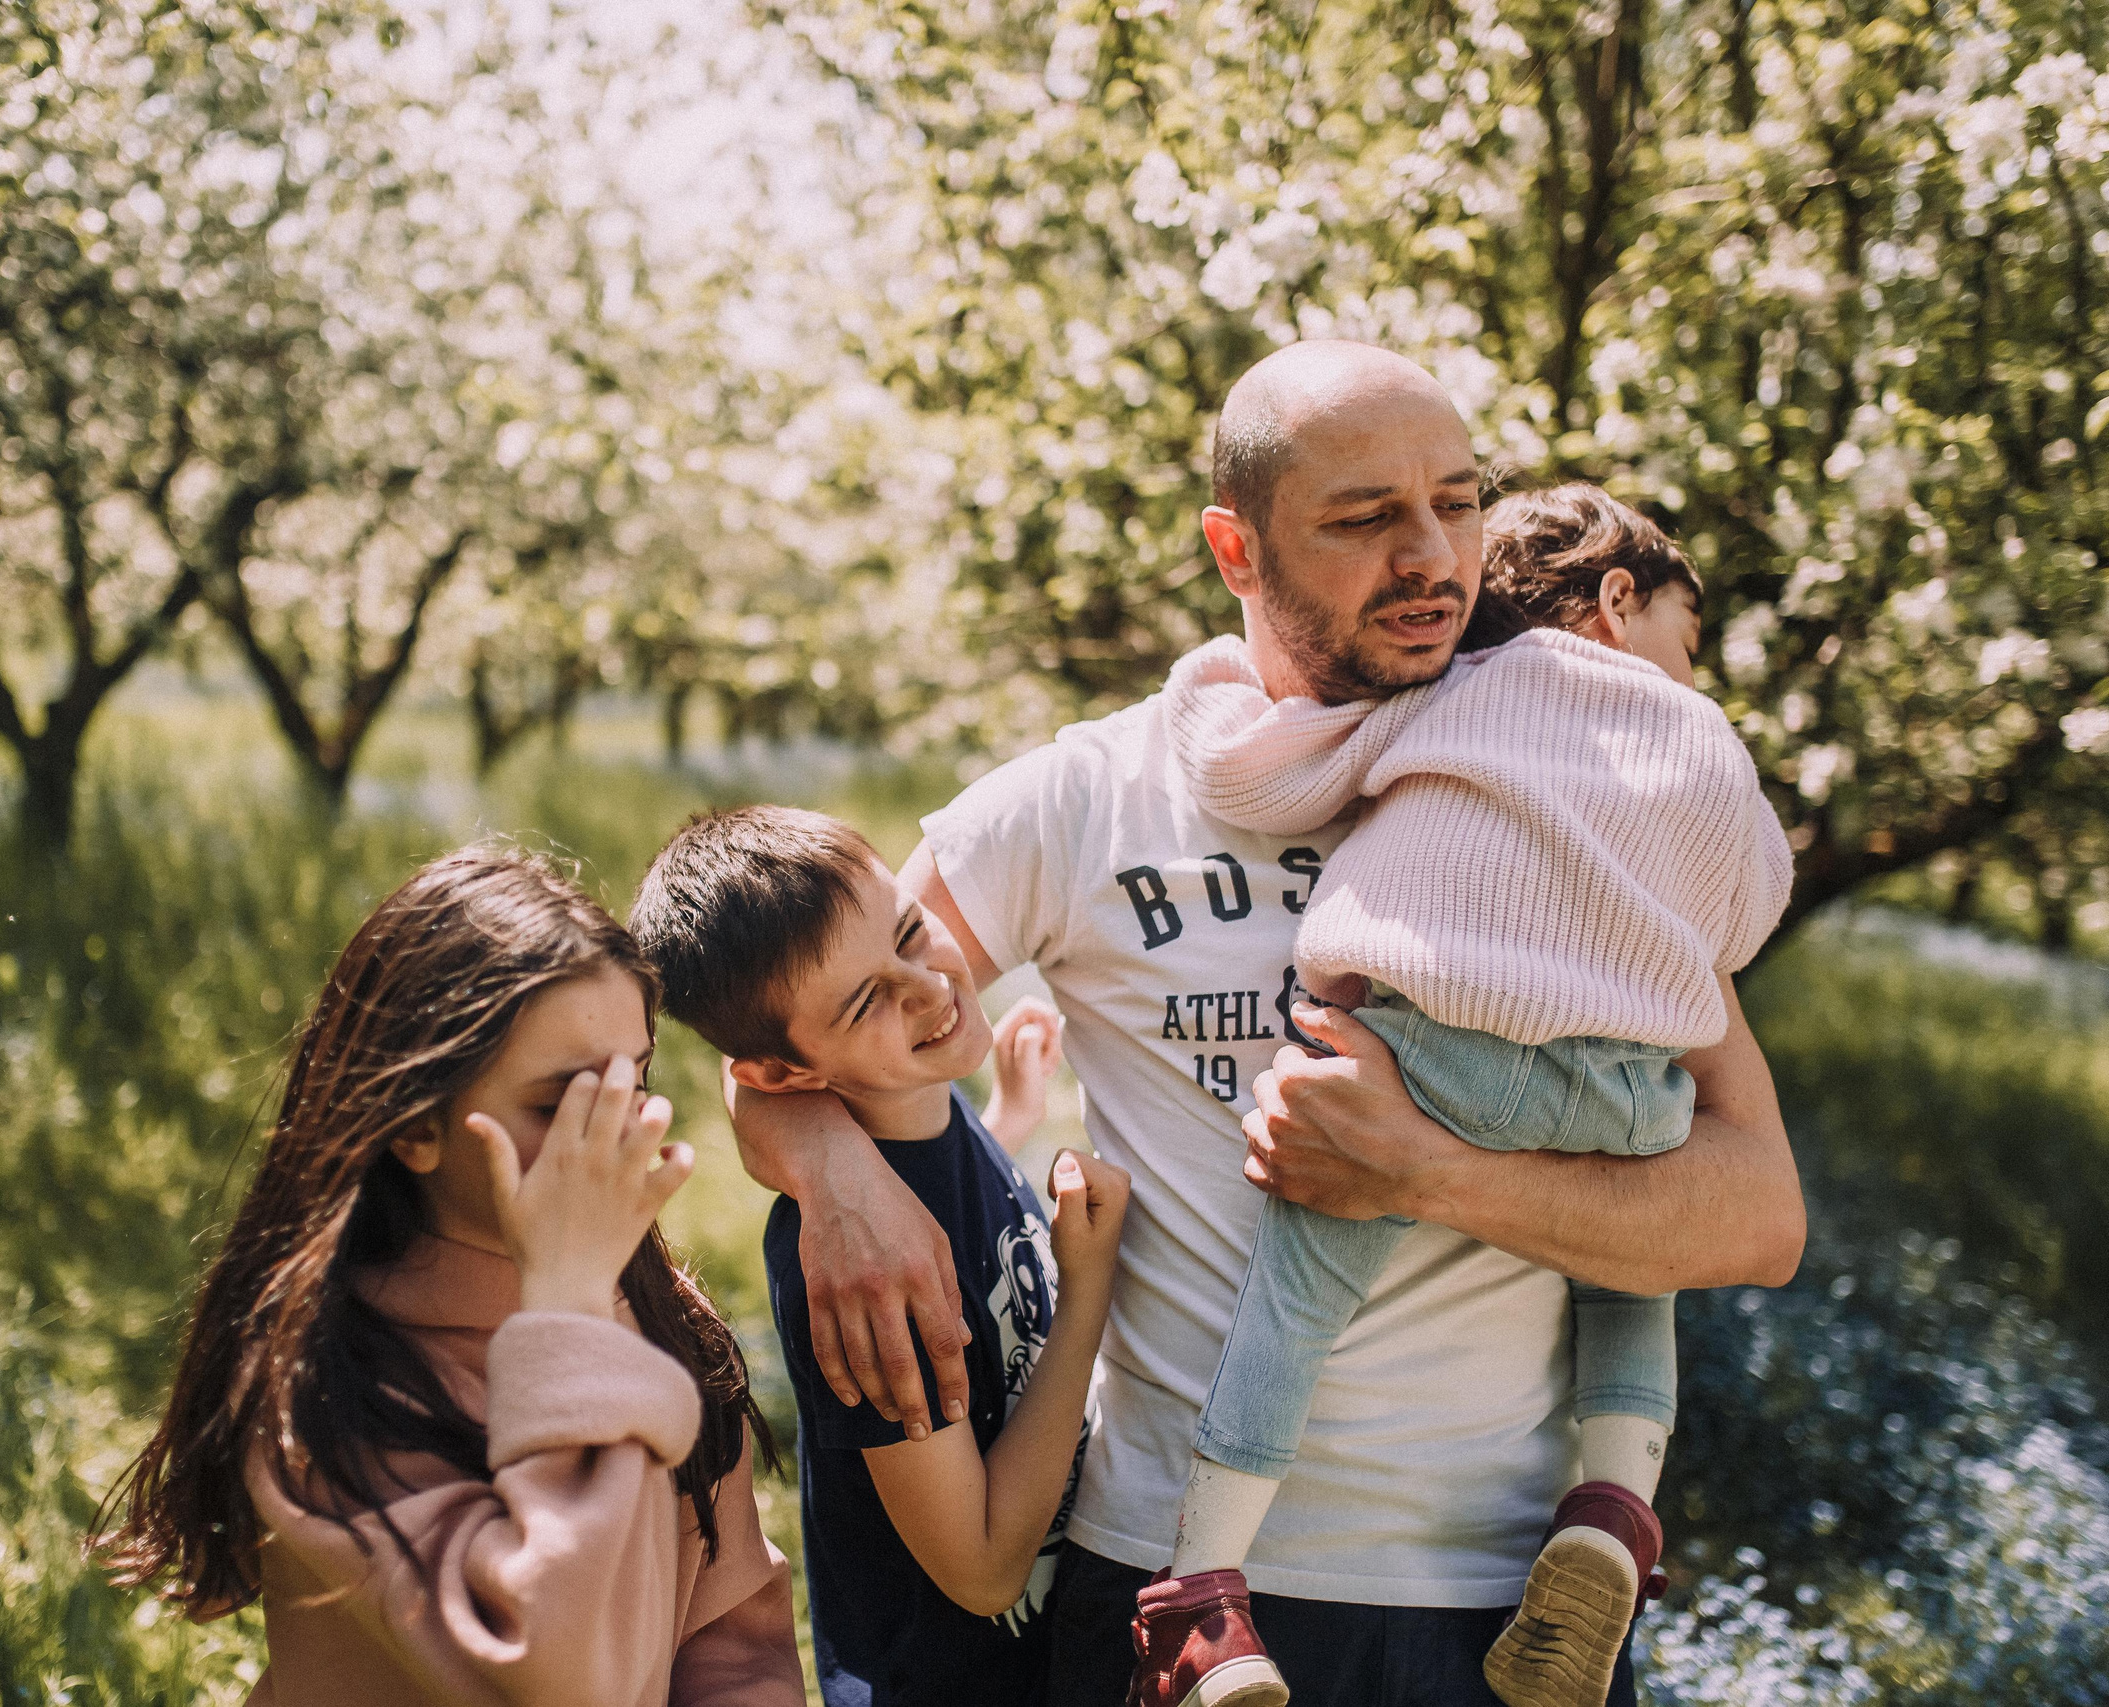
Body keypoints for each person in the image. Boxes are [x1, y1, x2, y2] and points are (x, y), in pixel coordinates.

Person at [731, 342, 1806, 1707]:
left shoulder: (1574, 789)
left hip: (1512, 1616)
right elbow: (795, 1035)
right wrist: (837, 1179)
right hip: (1174, 1590)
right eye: (1364, 518)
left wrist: (1424, 1171)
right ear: (1235, 549)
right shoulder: (1087, 799)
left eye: (1458, 503)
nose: (1432, 557)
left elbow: (1758, 1216)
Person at [1139, 483, 1793, 1707]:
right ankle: (1610, 1514)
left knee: (1292, 1307)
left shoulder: (1453, 693)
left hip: (1433, 1063)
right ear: (1616, 601)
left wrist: (1211, 682)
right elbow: (1752, 904)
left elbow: (1266, 775)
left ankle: (1207, 1603)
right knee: (1629, 1263)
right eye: (1687, 637)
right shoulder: (1697, 738)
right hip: (1625, 1096)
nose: (1691, 672)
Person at [98, 846, 804, 1707]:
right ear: (415, 1127)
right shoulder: (328, 1388)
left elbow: (731, 1644)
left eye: (637, 1078)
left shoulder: (662, 1320)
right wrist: (572, 1322)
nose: (622, 1129)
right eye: (563, 1101)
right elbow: (558, 1677)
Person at [631, 805, 1132, 1705]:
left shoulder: (927, 1111)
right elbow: (983, 1566)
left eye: (909, 930)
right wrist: (1089, 1289)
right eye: (866, 1001)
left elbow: (965, 1249)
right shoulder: (857, 1274)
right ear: (783, 1075)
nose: (929, 987)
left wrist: (1007, 1119)